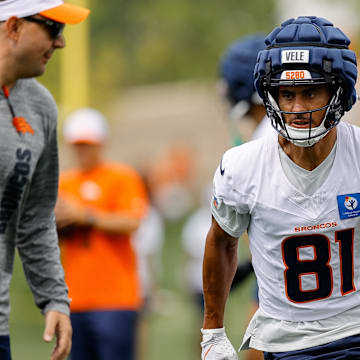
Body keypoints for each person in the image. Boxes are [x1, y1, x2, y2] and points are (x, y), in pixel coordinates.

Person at [201, 15, 360, 360]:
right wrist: (212, 331)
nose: (298, 109)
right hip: (288, 343)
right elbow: (221, 240)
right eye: (286, 94)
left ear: (339, 90)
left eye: (310, 92)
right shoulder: (243, 165)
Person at [0, 1, 89, 359]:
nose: (61, 43)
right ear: (14, 27)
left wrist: (54, 297)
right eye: (53, 28)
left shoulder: (40, 107)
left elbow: (35, 219)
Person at [55, 108, 148, 360]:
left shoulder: (121, 177)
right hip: (75, 298)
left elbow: (132, 221)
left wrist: (85, 216)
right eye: (78, 145)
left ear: (101, 143)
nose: (83, 150)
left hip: (115, 299)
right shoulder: (63, 182)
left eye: (88, 144)